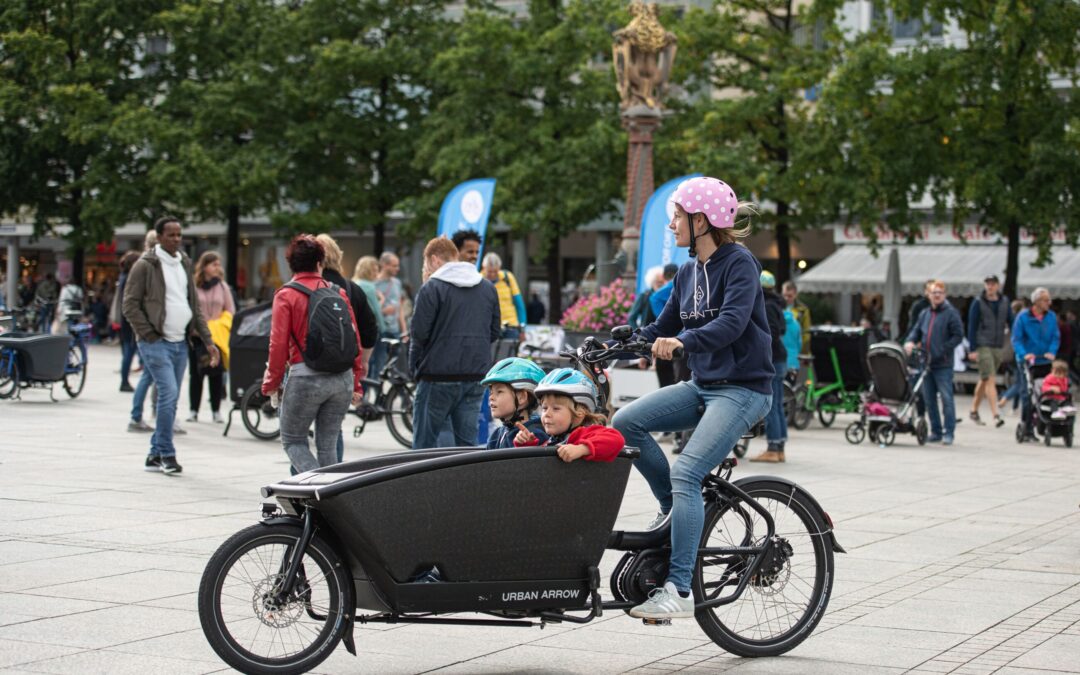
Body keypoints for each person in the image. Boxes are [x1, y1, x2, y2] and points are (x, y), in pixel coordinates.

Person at [611, 176, 773, 621]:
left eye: (678, 217)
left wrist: (682, 342)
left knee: (686, 470)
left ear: (701, 221)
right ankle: (673, 511)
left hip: (744, 389)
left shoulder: (739, 264)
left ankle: (680, 589)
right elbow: (658, 327)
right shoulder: (686, 272)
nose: (672, 226)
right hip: (703, 385)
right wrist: (614, 347)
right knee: (624, 423)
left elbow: (734, 324)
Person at [123, 216, 219, 474]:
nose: (177, 239)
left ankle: (154, 455)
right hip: (156, 343)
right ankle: (167, 453)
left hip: (180, 342)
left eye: (179, 234)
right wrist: (149, 335)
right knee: (169, 394)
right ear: (159, 236)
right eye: (171, 235)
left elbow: (194, 305)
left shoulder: (184, 262)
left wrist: (208, 340)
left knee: (172, 398)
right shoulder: (146, 265)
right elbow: (129, 304)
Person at [262, 235, 364, 473]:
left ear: (291, 265)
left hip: (305, 377)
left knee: (293, 440)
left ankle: (321, 488)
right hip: (341, 379)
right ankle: (333, 500)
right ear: (320, 263)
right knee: (328, 447)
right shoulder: (338, 292)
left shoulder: (285, 295)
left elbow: (277, 344)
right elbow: (354, 340)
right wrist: (356, 382)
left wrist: (271, 382)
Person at [409, 237, 500, 449]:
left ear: (433, 260)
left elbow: (418, 334)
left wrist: (414, 369)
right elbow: (494, 332)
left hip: (436, 374)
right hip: (475, 374)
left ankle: (426, 482)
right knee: (466, 444)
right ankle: (463, 482)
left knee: (425, 444)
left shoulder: (431, 288)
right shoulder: (487, 288)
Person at [316, 234, 378, 464]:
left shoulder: (305, 287)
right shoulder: (352, 289)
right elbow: (371, 330)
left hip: (308, 368)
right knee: (333, 429)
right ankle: (332, 482)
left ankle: (302, 483)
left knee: (298, 434)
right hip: (342, 369)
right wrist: (363, 362)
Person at [513, 368, 625, 463]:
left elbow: (616, 440)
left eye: (556, 408)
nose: (547, 414)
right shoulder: (552, 440)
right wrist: (527, 444)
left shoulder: (585, 434)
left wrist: (581, 449)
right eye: (544, 408)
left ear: (580, 412)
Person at [903, 280, 964, 445]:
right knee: (929, 399)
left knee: (946, 399)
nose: (937, 295)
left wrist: (943, 350)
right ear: (928, 295)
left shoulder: (951, 313)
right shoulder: (925, 313)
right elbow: (916, 331)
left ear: (944, 295)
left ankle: (948, 432)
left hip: (943, 364)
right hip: (926, 363)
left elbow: (958, 335)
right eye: (934, 292)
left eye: (940, 292)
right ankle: (936, 431)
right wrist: (910, 341)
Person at [186, 251, 235, 423]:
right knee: (196, 374)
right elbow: (189, 308)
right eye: (213, 264)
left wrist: (218, 325)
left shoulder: (223, 287)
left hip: (216, 338)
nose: (217, 268)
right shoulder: (194, 286)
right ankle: (193, 411)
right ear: (204, 266)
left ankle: (216, 410)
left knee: (216, 374)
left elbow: (230, 311)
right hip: (197, 337)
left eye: (218, 264)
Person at [1011, 287, 1060, 441]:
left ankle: (1045, 423)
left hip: (1045, 360)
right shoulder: (1023, 317)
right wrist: (1024, 353)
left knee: (1047, 393)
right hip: (1028, 361)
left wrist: (1052, 351)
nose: (1049, 303)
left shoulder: (1051, 317)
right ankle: (1027, 427)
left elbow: (1055, 337)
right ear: (1037, 302)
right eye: (1046, 300)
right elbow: (1016, 339)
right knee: (1028, 394)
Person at [751, 270, 788, 463]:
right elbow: (781, 329)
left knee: (772, 405)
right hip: (780, 358)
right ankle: (779, 446)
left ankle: (773, 447)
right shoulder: (777, 304)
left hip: (772, 359)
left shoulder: (765, 304)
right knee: (778, 404)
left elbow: (771, 332)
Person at [967, 275, 1012, 428]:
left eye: (993, 284)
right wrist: (972, 348)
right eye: (988, 284)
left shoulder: (1005, 302)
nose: (990, 287)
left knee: (985, 378)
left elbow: (1011, 321)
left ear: (998, 286)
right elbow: (972, 326)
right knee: (991, 378)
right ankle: (995, 414)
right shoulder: (978, 302)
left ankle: (973, 410)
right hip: (982, 343)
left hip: (997, 344)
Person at [481, 357, 549, 449]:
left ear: (521, 397)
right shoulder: (497, 434)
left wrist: (529, 446)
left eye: (499, 391)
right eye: (491, 392)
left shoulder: (535, 435)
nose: (491, 397)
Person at [370, 252, 407, 382]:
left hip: (395, 331)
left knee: (397, 368)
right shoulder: (374, 284)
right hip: (381, 331)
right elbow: (370, 309)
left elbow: (400, 309)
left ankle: (394, 398)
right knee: (378, 365)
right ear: (384, 265)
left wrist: (404, 331)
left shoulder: (397, 283)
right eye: (394, 266)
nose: (398, 268)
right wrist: (384, 311)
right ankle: (373, 397)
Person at [482, 252, 527, 341]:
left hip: (511, 326)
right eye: (489, 271)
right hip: (489, 327)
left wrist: (522, 328)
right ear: (484, 268)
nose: (493, 275)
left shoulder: (508, 277)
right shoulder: (478, 279)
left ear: (499, 268)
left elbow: (519, 304)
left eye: (495, 271)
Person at [116, 251, 142, 392]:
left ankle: (124, 380)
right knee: (129, 350)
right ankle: (124, 381)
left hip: (125, 318)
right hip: (130, 319)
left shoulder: (123, 277)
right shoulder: (129, 279)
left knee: (128, 349)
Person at [781, 281, 811, 354]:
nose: (786, 298)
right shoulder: (776, 307)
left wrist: (803, 351)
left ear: (795, 295)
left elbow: (806, 332)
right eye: (784, 295)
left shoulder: (803, 310)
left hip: (797, 350)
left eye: (789, 296)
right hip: (780, 350)